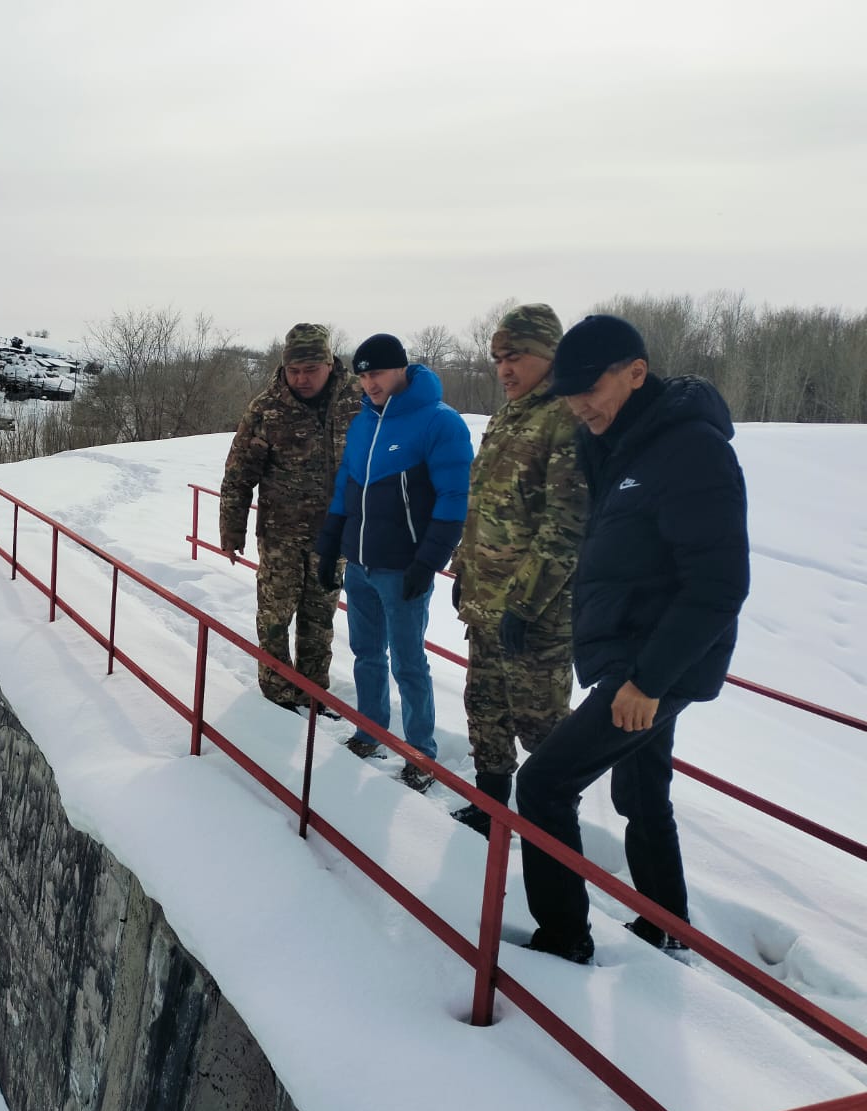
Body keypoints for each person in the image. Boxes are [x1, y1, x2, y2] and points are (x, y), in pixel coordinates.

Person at [514, 315, 749, 965]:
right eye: (568, 391)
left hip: (655, 665)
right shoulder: (613, 438)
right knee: (641, 791)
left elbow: (720, 585)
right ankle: (667, 925)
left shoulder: (692, 450)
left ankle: (562, 942)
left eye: (590, 387)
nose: (577, 403)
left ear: (636, 373)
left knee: (543, 785)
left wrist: (648, 682)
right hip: (628, 650)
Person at [449, 304, 587, 835]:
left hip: (537, 616)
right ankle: (489, 811)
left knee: (543, 727)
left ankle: (552, 831)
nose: (504, 369)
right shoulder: (510, 414)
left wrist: (524, 604)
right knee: (485, 710)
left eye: (516, 357)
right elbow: (483, 504)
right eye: (498, 358)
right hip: (487, 605)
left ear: (549, 355)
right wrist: (463, 568)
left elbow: (564, 528)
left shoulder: (566, 418)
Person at [315, 334, 473, 790]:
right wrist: (330, 545)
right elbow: (346, 484)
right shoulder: (364, 421)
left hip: (402, 566)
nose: (369, 384)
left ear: (401, 368)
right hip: (361, 562)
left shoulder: (439, 422)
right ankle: (371, 732)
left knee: (408, 662)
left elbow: (453, 498)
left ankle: (421, 752)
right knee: (366, 654)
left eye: (377, 373)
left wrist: (428, 562)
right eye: (363, 376)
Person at [220, 323, 362, 712]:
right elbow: (238, 475)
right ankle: (277, 697)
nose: (300, 379)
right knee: (275, 618)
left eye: (310, 370)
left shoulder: (357, 402)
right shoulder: (266, 409)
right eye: (293, 370)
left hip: (334, 535)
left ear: (330, 364)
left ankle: (314, 694)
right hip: (280, 535)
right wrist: (232, 529)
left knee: (320, 621)